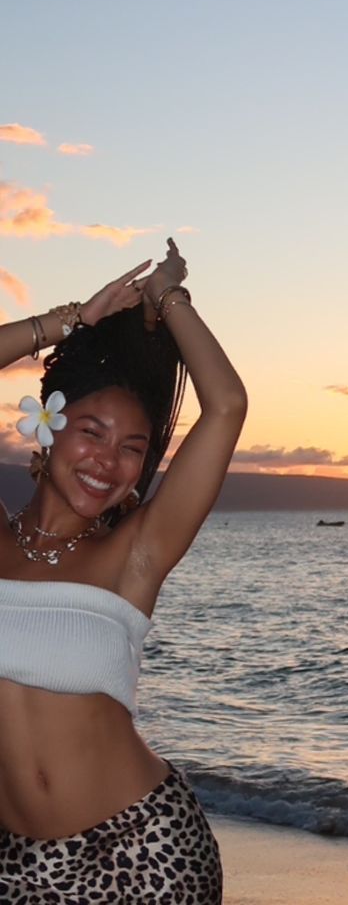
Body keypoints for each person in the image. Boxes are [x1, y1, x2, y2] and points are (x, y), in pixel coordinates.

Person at [0, 239, 247, 903]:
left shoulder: (134, 555)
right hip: (15, 868)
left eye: (133, 448)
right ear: (48, 428)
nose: (108, 462)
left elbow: (225, 405)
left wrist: (170, 295)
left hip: (145, 852)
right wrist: (69, 319)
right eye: (92, 431)